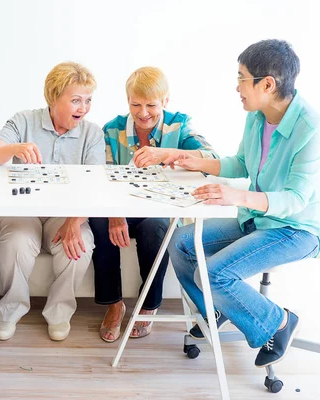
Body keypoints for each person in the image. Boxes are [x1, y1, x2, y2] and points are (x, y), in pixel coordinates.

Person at [164, 39, 320, 368]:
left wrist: (236, 196)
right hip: (257, 219)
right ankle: (219, 311)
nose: (237, 87)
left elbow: (296, 199)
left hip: (295, 230)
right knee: (181, 242)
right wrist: (200, 163)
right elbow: (241, 162)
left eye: (241, 78)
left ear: (267, 84)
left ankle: (278, 322)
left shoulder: (310, 128)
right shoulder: (257, 116)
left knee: (213, 274)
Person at [0, 61, 105, 341]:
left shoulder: (92, 133)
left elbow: (95, 184)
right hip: (23, 210)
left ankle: (59, 313)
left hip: (67, 213)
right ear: (52, 97)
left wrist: (74, 222)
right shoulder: (23, 121)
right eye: (75, 100)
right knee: (18, 242)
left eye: (88, 100)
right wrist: (15, 148)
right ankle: (10, 311)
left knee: (79, 246)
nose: (82, 108)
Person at [90, 66, 218, 342]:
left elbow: (212, 158)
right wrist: (115, 215)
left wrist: (169, 153)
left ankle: (149, 305)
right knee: (99, 221)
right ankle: (114, 305)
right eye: (136, 104)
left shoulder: (179, 124)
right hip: (123, 207)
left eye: (151, 105)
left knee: (156, 226)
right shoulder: (112, 130)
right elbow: (103, 177)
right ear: (127, 101)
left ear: (165, 101)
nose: (143, 112)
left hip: (163, 211)